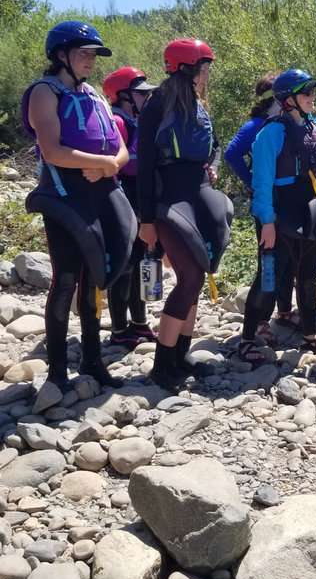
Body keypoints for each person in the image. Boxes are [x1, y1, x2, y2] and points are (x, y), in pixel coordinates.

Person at [21, 21, 137, 390]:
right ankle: (57, 370)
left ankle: (92, 360)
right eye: (83, 53)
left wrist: (109, 165)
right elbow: (52, 150)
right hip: (64, 198)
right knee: (66, 281)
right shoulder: (44, 92)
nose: (90, 60)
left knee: (93, 281)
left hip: (99, 192)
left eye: (93, 55)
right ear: (60, 55)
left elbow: (120, 147)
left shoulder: (95, 96)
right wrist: (100, 164)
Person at [137, 39, 234, 390]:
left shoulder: (197, 103)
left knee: (200, 271)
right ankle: (162, 365)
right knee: (189, 278)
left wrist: (213, 165)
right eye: (203, 68)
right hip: (169, 201)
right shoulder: (157, 105)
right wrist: (146, 219)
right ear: (185, 69)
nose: (207, 73)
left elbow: (217, 144)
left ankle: (181, 356)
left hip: (198, 192)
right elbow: (145, 165)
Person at [241, 68, 316, 363]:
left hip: (309, 209)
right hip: (278, 211)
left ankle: (311, 336)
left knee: (308, 278)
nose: (313, 98)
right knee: (268, 278)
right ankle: (248, 338)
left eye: (313, 92)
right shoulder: (271, 133)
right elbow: (261, 182)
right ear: (288, 100)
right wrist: (267, 222)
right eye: (306, 93)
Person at [224, 73, 297, 336]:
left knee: (288, 259)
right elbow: (232, 153)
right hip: (267, 201)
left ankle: (285, 310)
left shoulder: (286, 123)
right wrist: (252, 181)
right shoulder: (257, 125)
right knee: (270, 260)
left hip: (286, 200)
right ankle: (259, 322)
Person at [102, 66, 157, 349]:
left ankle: (140, 322)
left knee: (140, 263)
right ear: (123, 95)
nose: (145, 98)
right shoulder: (118, 122)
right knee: (124, 265)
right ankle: (120, 328)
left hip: (139, 196)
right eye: (139, 93)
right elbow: (114, 167)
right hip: (124, 196)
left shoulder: (138, 121)